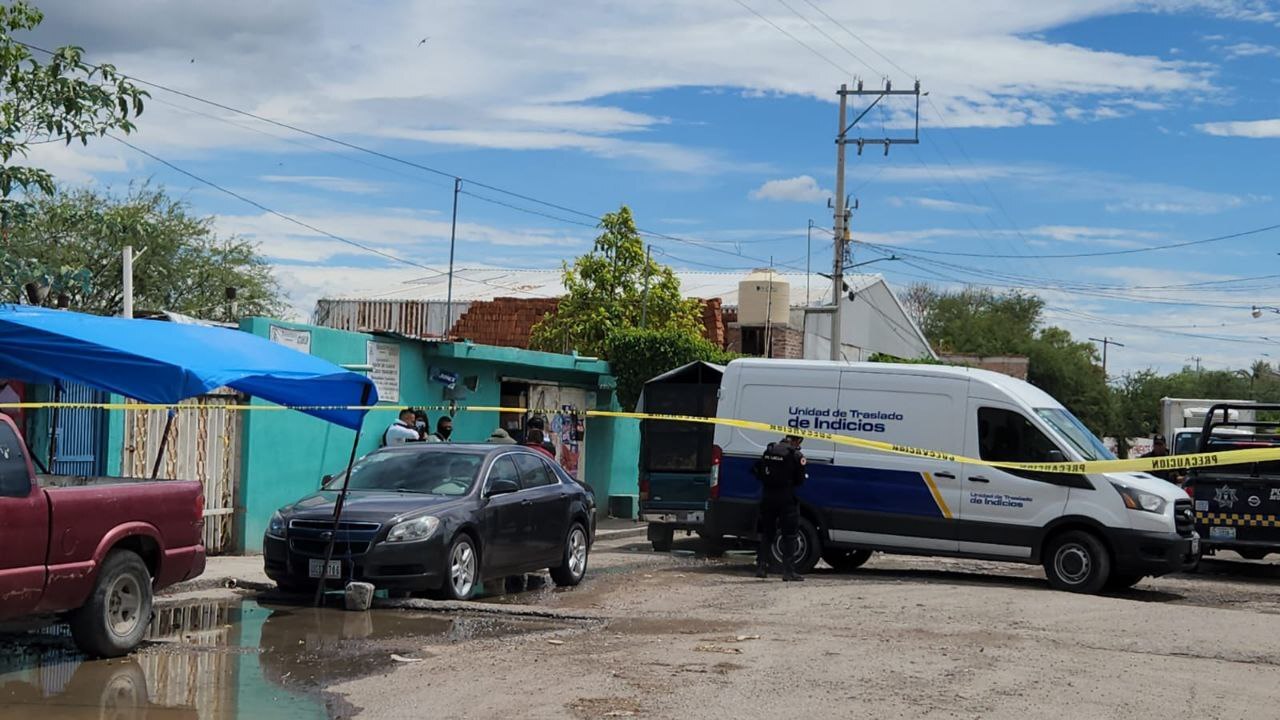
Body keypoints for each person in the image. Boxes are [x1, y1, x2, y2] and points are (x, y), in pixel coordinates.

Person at [753, 434, 807, 582]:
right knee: (789, 534)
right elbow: (800, 480)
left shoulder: (769, 450)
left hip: (768, 496)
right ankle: (788, 572)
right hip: (786, 498)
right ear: (796, 441)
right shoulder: (795, 455)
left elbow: (757, 470)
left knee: (767, 532)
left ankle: (762, 567)